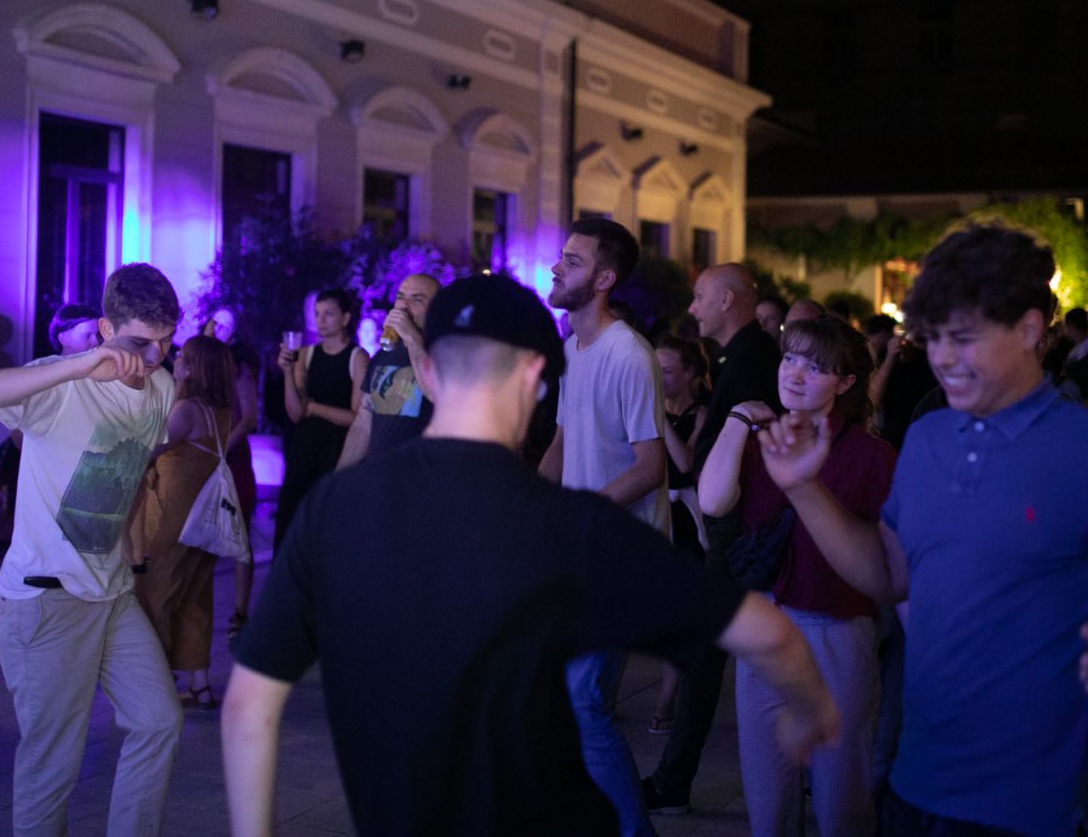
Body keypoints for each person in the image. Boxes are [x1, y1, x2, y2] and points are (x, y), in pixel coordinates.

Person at [221, 273, 840, 837]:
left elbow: (250, 704)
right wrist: (808, 710)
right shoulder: (569, 526)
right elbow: (766, 632)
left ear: (428, 371)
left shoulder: (333, 510)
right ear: (534, 381)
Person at [752, 225, 1088, 835]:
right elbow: (890, 573)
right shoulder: (927, 437)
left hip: (1032, 806)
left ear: (1029, 330)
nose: (943, 357)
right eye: (934, 337)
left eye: (963, 337)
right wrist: (803, 488)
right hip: (915, 784)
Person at [0, 263, 185, 836]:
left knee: (158, 722)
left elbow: (131, 475)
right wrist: (78, 364)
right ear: (106, 330)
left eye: (166, 341)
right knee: (52, 765)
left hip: (111, 594)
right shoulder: (63, 380)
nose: (155, 357)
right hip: (46, 599)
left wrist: (135, 558)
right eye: (141, 343)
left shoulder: (161, 386)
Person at [698, 315, 897, 836]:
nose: (794, 373)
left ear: (845, 383)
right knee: (768, 799)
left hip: (837, 628)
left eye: (815, 367)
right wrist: (738, 419)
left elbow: (890, 563)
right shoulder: (760, 437)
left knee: (841, 798)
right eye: (789, 358)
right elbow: (713, 500)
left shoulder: (872, 455)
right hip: (765, 623)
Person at [538, 219, 668, 837]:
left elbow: (650, 466)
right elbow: (564, 440)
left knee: (584, 700)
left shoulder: (629, 355)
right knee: (572, 702)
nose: (556, 267)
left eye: (573, 260)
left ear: (604, 278)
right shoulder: (573, 348)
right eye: (561, 256)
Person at [644, 261, 785, 815]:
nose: (692, 307)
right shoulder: (741, 356)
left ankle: (674, 780)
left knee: (708, 654)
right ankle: (673, 778)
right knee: (706, 655)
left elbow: (746, 451)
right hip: (728, 522)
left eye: (700, 296)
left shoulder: (752, 360)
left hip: (736, 526)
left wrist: (718, 522)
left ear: (728, 300)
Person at [130, 335, 238, 710]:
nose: (174, 361)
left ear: (192, 368)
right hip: (203, 522)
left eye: (181, 358)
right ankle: (199, 685)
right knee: (195, 600)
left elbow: (150, 448)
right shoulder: (219, 409)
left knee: (153, 596)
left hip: (172, 518)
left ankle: (154, 686)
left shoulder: (187, 409)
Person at [275, 288, 366, 549]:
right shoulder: (307, 354)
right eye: (317, 314)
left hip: (336, 452)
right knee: (291, 523)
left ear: (345, 318)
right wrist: (287, 372)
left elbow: (357, 418)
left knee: (325, 530)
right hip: (304, 449)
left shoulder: (357, 357)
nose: (321, 320)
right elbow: (295, 413)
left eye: (328, 313)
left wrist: (314, 409)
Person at [649, 335, 709, 733]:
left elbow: (685, 462)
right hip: (654, 510)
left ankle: (666, 702)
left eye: (666, 372)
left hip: (684, 519)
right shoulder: (645, 409)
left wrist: (657, 417)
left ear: (689, 373)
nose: (659, 379)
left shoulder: (701, 414)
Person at [336, 273, 440, 469]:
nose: (403, 306)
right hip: (378, 477)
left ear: (437, 308)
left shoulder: (443, 353)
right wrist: (340, 477)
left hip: (420, 477)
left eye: (416, 299)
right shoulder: (382, 356)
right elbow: (363, 423)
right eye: (400, 297)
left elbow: (436, 393)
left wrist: (411, 336)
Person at [202, 305, 261, 635]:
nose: (219, 328)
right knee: (201, 533)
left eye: (227, 325)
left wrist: (221, 447)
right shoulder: (199, 362)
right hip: (203, 456)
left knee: (239, 535)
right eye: (216, 322)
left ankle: (239, 610)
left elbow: (248, 418)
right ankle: (195, 606)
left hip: (231, 457)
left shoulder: (238, 368)